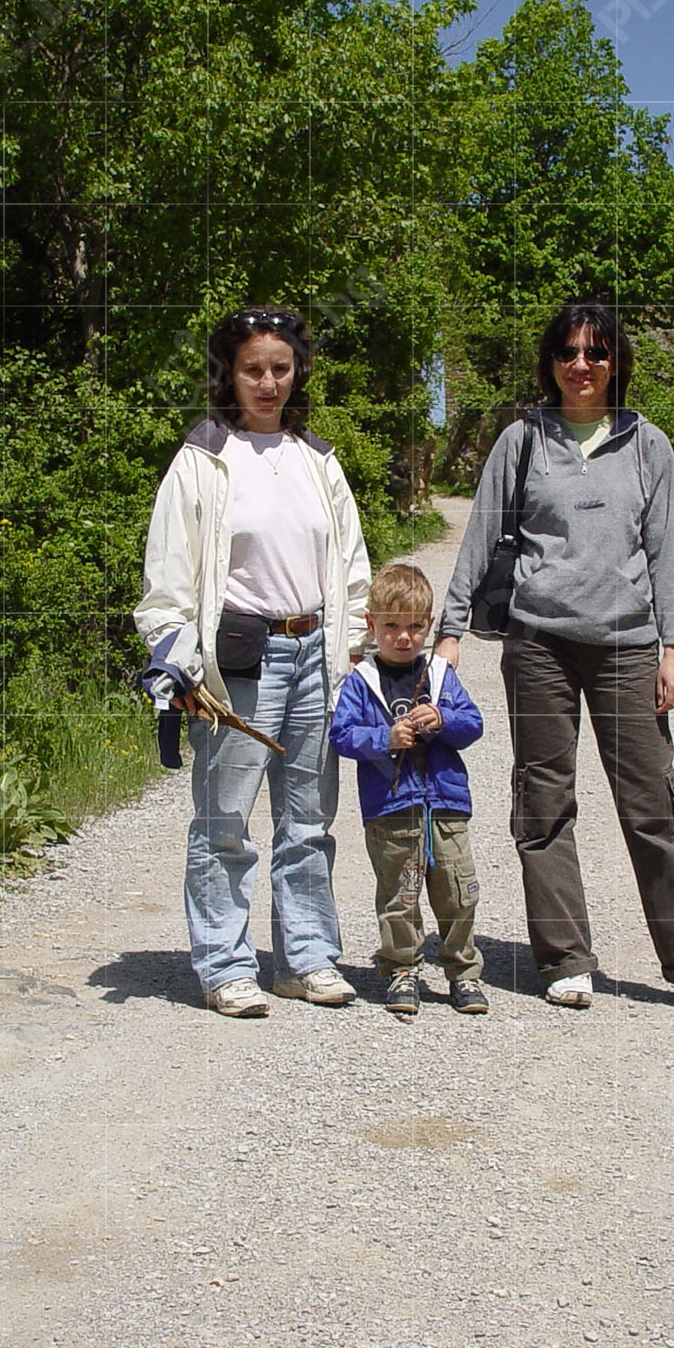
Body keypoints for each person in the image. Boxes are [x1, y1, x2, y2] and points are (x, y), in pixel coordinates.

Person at [435, 299, 674, 1013]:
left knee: (652, 805)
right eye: (568, 353)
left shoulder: (647, 445)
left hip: (627, 647)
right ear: (550, 363)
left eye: (596, 354)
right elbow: (480, 534)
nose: (581, 365)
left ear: (615, 364)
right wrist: (449, 627)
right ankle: (565, 958)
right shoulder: (523, 440)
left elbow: (667, 551)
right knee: (544, 802)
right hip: (538, 642)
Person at [135, 306, 371, 1017]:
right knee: (224, 822)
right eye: (252, 369)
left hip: (313, 654)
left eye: (279, 368)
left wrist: (351, 644)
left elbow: (351, 567)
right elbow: (167, 579)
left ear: (296, 373)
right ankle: (226, 966)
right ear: (228, 375)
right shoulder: (203, 458)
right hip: (238, 659)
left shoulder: (317, 458)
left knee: (308, 821)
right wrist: (175, 662)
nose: (267, 382)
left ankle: (304, 959)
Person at [329, 563, 490, 1017]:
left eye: (416, 627)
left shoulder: (440, 675)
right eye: (392, 626)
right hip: (391, 808)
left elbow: (473, 724)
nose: (404, 637)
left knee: (459, 893)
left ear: (430, 626)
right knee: (400, 895)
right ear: (371, 626)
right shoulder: (361, 681)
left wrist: (443, 721)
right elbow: (341, 735)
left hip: (445, 804)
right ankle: (402, 968)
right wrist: (383, 739)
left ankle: (463, 971)